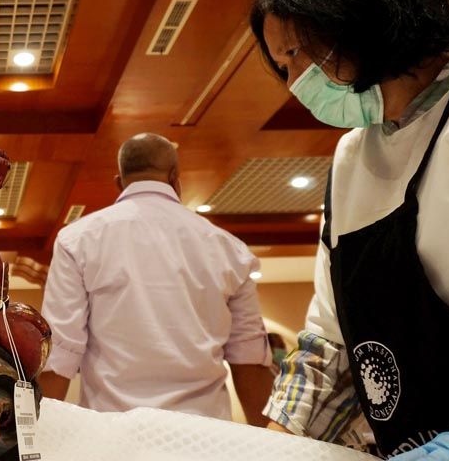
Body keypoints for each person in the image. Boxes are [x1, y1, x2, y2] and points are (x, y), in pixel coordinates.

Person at [252, 0, 449, 458]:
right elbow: (331, 344)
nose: (294, 84)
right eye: (283, 68)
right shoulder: (351, 159)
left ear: (359, 21)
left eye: (295, 57)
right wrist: (265, 449)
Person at [38, 133, 274, 426]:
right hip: (205, 433)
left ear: (119, 183)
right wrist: (269, 440)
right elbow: (249, 358)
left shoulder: (77, 240)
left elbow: (59, 351)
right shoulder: (230, 248)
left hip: (112, 432)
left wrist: (36, 436)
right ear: (176, 179)